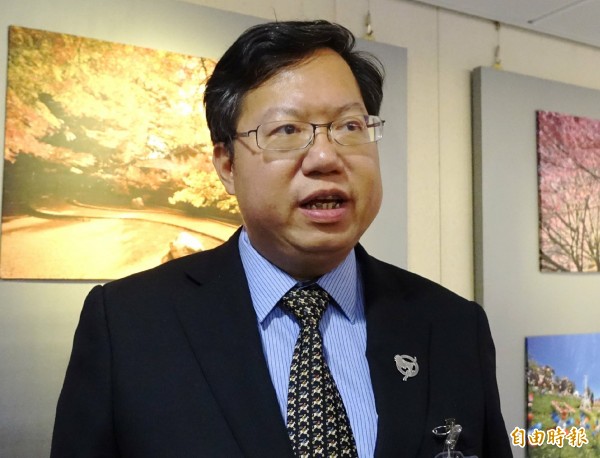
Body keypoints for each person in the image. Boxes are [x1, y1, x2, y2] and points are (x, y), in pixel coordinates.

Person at [51, 20, 512, 458]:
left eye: (350, 127)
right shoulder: (128, 324)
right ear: (227, 166)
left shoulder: (453, 326)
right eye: (287, 130)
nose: (326, 157)